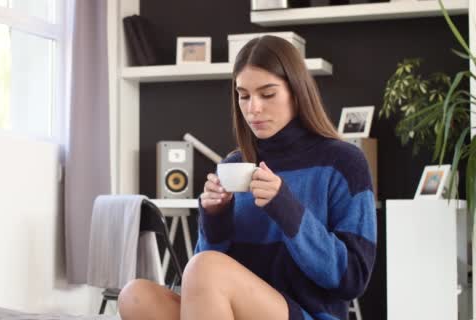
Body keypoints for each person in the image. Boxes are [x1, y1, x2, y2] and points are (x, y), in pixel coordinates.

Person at [118, 35, 377, 320]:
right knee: (136, 296)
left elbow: (353, 278)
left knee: (206, 268)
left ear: (297, 92)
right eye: (243, 95)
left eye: (267, 94)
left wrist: (287, 210)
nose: (253, 108)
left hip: (307, 314)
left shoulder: (344, 161)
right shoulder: (234, 164)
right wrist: (215, 219)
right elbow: (202, 282)